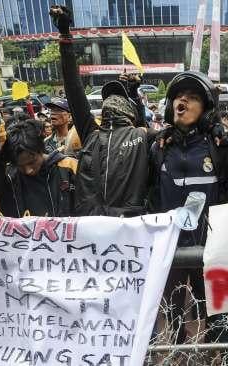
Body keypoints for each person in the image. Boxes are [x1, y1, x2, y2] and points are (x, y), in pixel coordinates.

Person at [148, 70, 228, 349]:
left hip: (208, 247)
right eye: (179, 97)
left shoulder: (219, 146)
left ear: (206, 110)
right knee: (171, 307)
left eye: (193, 97)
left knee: (212, 308)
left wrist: (217, 128)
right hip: (170, 246)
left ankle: (213, 352)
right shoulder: (159, 146)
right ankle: (178, 348)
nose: (183, 101)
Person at [50, 5, 155, 217]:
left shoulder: (141, 136)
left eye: (120, 98)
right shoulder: (91, 134)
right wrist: (65, 37)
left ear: (131, 112)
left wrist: (135, 97)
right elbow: (73, 88)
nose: (113, 101)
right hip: (92, 231)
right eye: (109, 98)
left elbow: (174, 129)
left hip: (130, 231)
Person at [0, 84, 78, 217]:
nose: (28, 170)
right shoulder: (9, 177)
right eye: (20, 166)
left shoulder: (70, 168)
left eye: (32, 162)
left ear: (41, 149)